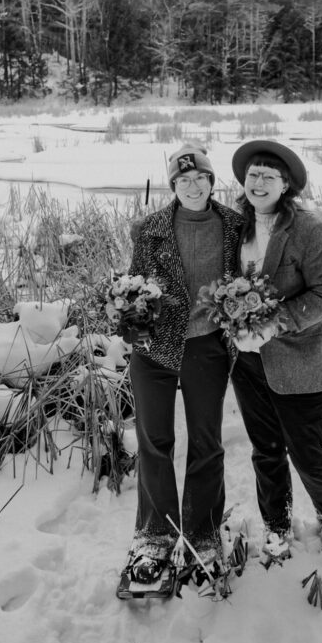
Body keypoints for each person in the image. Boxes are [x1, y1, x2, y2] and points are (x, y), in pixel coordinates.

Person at [230, 139, 322, 567]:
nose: (259, 182)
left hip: (299, 361)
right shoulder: (236, 226)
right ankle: (276, 525)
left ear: (286, 185)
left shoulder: (307, 228)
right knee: (265, 448)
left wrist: (274, 321)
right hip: (248, 362)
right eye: (253, 174)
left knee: (307, 450)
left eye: (269, 175)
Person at [122, 144, 243, 586]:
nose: (193, 186)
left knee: (206, 442)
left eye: (200, 178)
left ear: (212, 181)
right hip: (154, 347)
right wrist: (131, 318)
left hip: (206, 346)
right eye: (183, 180)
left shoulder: (235, 226)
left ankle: (203, 534)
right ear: (173, 185)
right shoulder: (149, 229)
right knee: (154, 441)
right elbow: (135, 286)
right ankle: (154, 535)